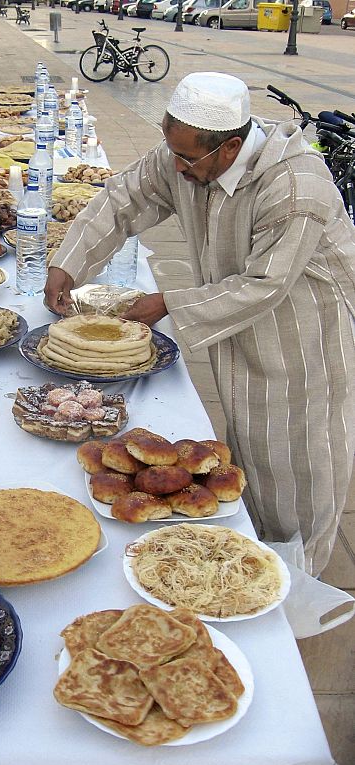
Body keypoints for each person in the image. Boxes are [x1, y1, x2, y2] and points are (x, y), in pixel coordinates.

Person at [45, 72, 355, 576]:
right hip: (236, 326)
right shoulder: (186, 157)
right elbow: (126, 195)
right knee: (245, 460)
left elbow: (265, 285)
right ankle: (250, 560)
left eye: (187, 159)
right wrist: (69, 261)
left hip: (303, 344)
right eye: (172, 151)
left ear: (231, 148)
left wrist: (168, 302)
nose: (176, 169)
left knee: (297, 471)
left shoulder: (295, 186)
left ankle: (294, 585)